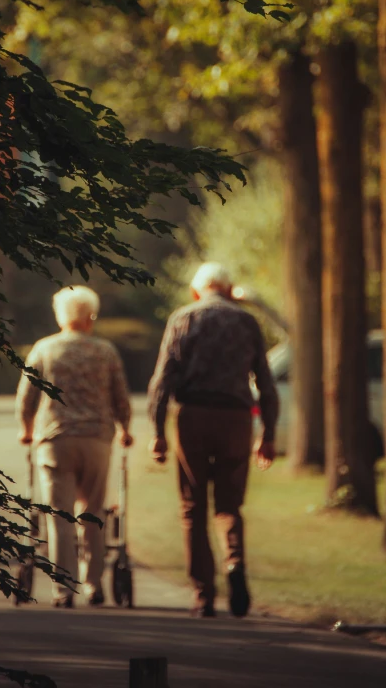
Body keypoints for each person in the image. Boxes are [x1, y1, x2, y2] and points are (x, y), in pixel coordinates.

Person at [147, 263, 278, 619]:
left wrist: (158, 433)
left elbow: (162, 381)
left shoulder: (183, 318)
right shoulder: (247, 321)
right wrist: (267, 436)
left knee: (193, 507)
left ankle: (203, 595)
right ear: (230, 288)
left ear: (196, 291)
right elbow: (266, 384)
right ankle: (234, 564)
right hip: (236, 419)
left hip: (194, 417)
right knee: (229, 505)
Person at [16, 285, 133, 609]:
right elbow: (120, 397)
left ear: (61, 316)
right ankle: (94, 586)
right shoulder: (105, 351)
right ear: (90, 317)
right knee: (94, 513)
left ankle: (63, 590)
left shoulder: (45, 348)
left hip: (55, 441)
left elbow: (26, 398)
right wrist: (125, 429)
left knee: (59, 518)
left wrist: (26, 430)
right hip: (96, 439)